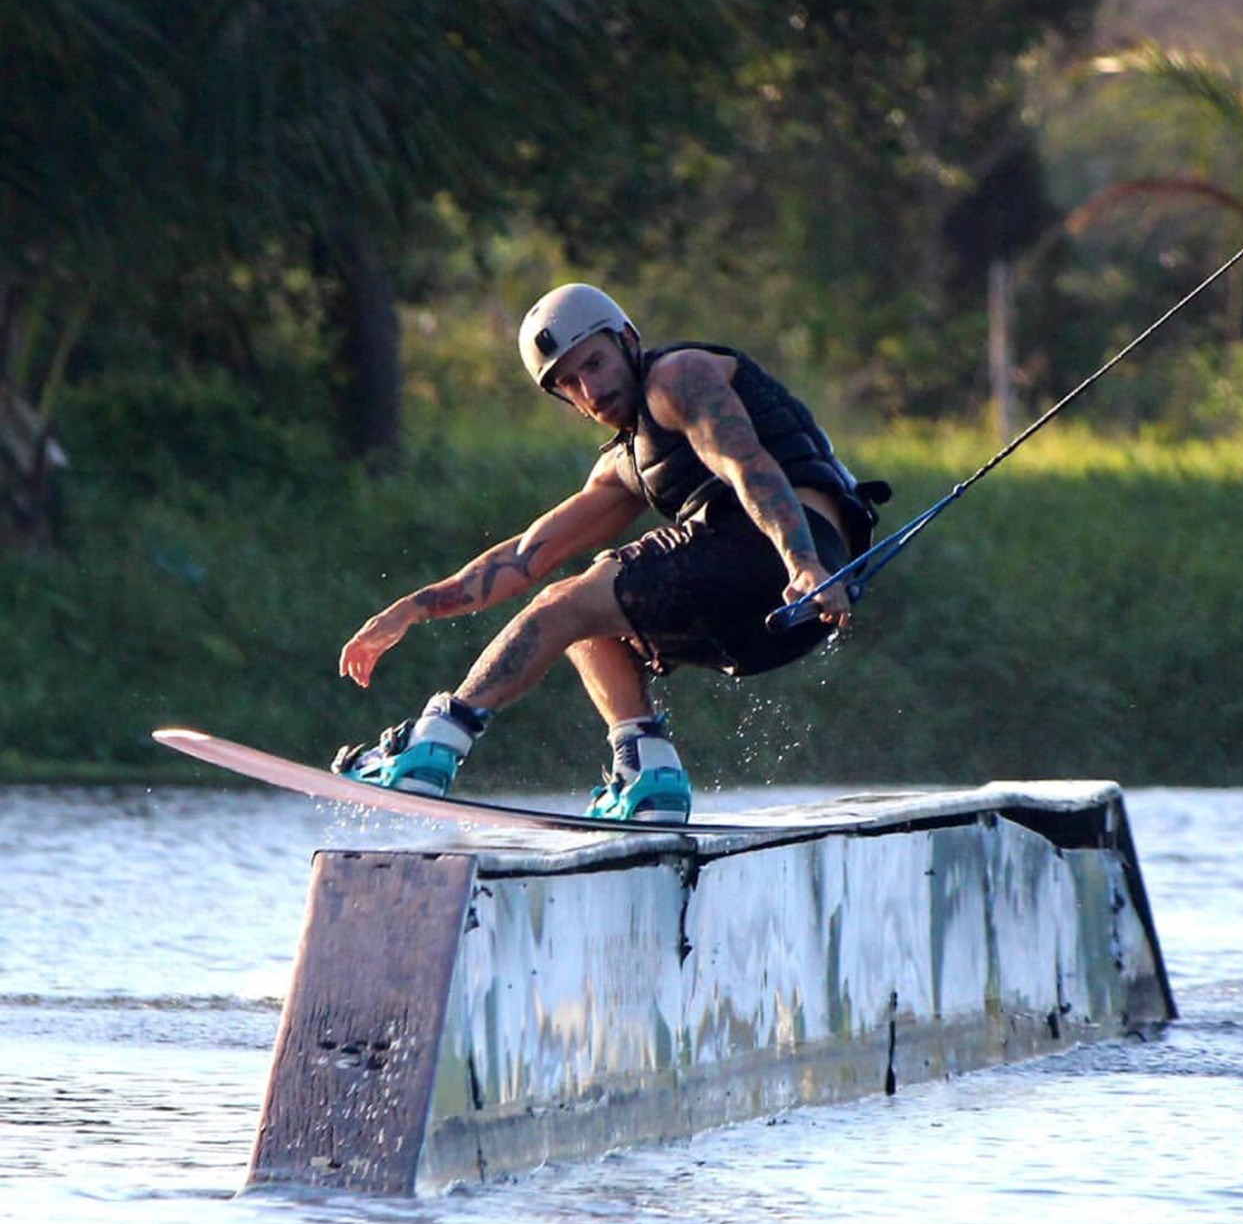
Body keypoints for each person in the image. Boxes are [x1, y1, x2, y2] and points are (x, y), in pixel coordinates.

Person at [333, 283, 888, 823]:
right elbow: (525, 556)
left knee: (565, 603)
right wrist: (414, 607)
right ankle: (648, 776)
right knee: (589, 619)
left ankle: (435, 744)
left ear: (627, 338)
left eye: (593, 364)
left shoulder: (679, 377)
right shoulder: (628, 464)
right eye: (569, 384)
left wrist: (802, 561)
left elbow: (748, 464)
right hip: (782, 617)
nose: (589, 391)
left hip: (791, 563)